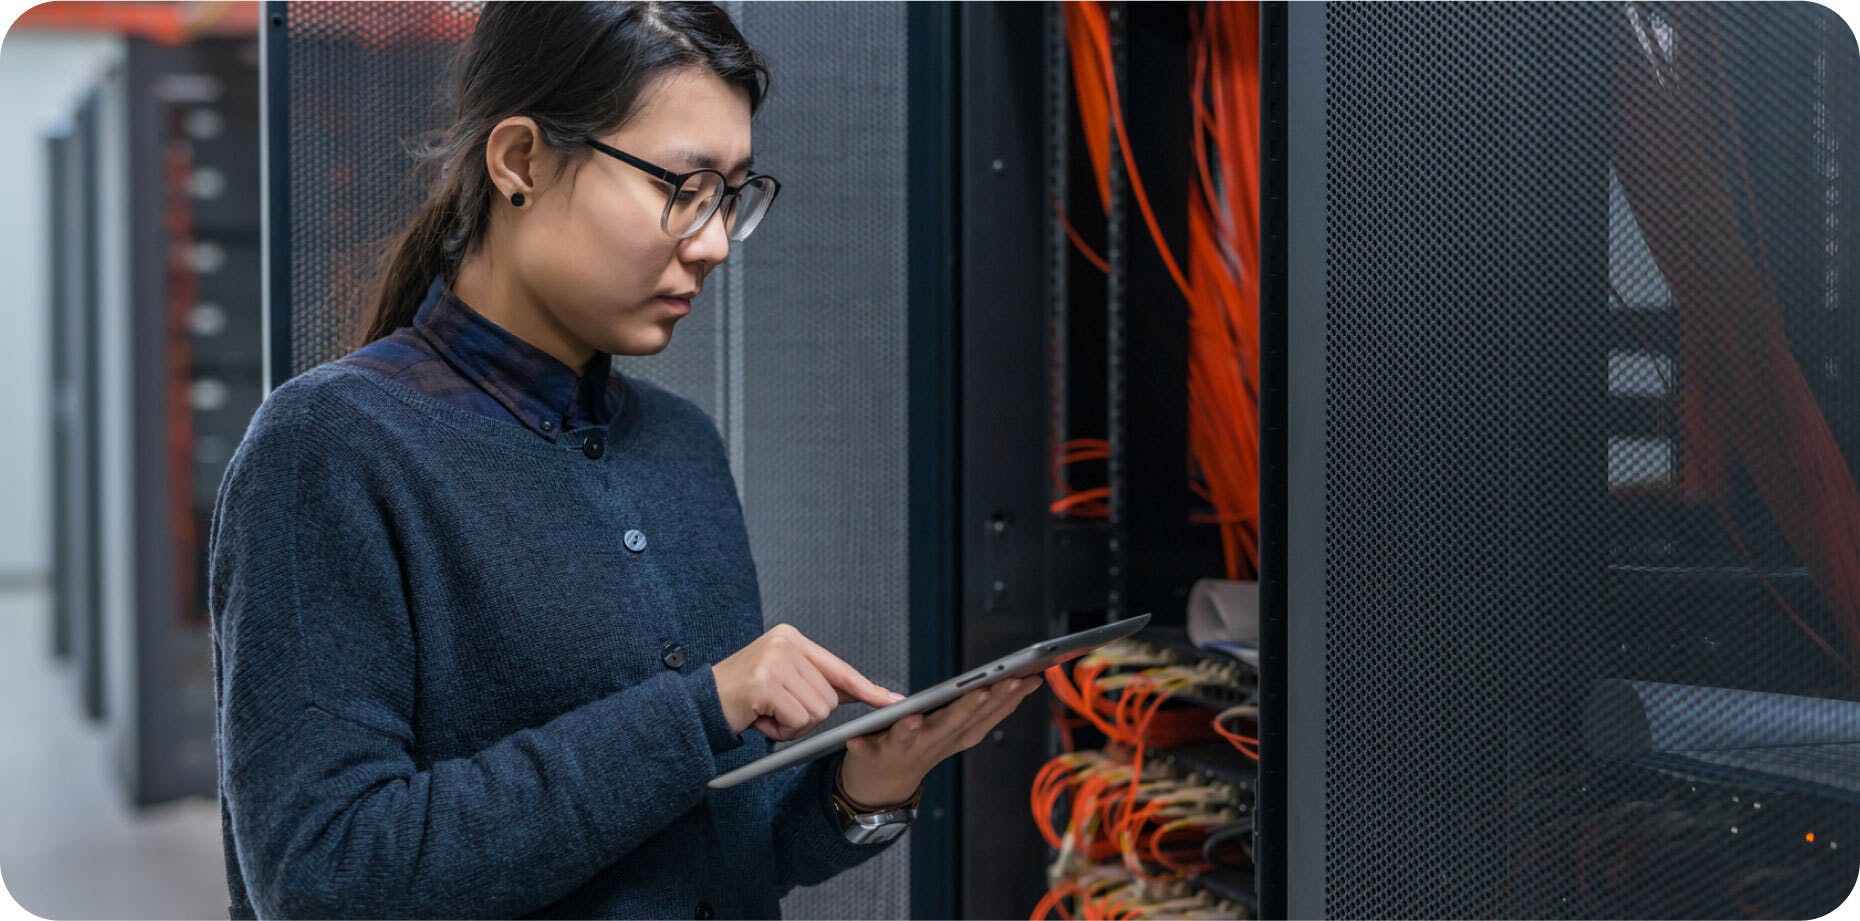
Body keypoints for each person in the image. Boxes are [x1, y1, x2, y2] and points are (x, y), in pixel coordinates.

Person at [208, 3, 1042, 918]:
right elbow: (326, 877)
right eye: (682, 187)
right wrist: (697, 711)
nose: (716, 241)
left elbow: (718, 854)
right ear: (520, 160)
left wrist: (867, 789)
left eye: (731, 196)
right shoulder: (331, 447)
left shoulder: (682, 446)